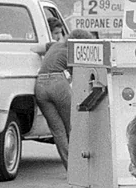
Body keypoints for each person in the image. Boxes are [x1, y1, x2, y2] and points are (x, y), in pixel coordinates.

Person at [34, 25, 93, 169]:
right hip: (58, 83)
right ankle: (79, 168)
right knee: (72, 126)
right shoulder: (72, 52)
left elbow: (36, 48)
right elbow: (80, 77)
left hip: (40, 85)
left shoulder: (54, 46)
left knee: (57, 131)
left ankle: (69, 167)